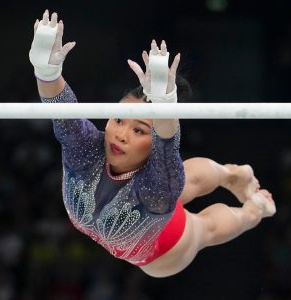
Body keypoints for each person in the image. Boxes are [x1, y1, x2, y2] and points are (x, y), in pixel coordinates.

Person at [29, 10, 276, 277]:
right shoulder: (86, 150)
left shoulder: (156, 185)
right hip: (151, 203)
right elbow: (63, 112)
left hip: (166, 246)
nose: (122, 134)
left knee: (206, 228)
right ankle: (232, 175)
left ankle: (253, 209)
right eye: (120, 119)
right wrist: (47, 72)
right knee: (186, 180)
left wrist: (165, 108)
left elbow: (167, 139)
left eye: (139, 130)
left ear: (154, 139)